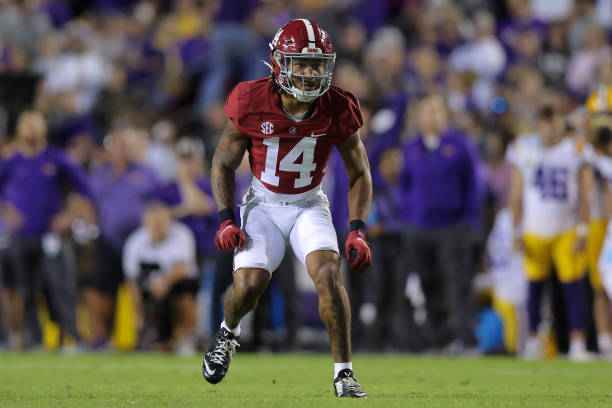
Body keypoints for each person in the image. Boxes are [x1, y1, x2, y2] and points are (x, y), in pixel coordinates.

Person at [202, 19, 372, 398]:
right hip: (263, 202)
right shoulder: (251, 100)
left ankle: (343, 373)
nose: (311, 73)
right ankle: (228, 332)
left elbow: (359, 171)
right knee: (248, 286)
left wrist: (358, 228)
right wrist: (226, 219)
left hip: (309, 203)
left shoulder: (338, 106)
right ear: (279, 63)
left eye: (317, 64)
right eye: (302, 63)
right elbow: (223, 163)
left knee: (328, 276)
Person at [0, 110, 94, 349]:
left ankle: (73, 338)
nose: (30, 129)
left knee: (60, 286)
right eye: (26, 124)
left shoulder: (56, 158)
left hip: (51, 236)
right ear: (19, 129)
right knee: (26, 291)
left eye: (34, 124)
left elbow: (86, 189)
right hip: (21, 237)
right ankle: (34, 340)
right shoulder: (12, 161)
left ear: (43, 128)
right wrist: (7, 211)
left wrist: (69, 216)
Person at [509, 106, 592, 361]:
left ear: (561, 123)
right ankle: (533, 340)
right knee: (534, 289)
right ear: (537, 124)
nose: (550, 127)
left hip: (566, 228)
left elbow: (585, 193)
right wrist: (515, 230)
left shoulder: (575, 149)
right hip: (535, 228)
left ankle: (578, 343)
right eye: (545, 122)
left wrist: (582, 229)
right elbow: (516, 193)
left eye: (554, 121)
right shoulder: (524, 149)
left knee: (573, 288)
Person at [400, 94, 479, 353]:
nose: (432, 116)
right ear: (419, 116)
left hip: (451, 226)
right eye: (427, 110)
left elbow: (473, 186)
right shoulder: (410, 148)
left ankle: (466, 339)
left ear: (446, 115)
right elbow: (404, 186)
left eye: (437, 110)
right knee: (428, 283)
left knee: (458, 285)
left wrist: (468, 220)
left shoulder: (460, 145)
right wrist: (410, 217)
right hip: (420, 228)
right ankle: (437, 338)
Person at [123, 202, 199, 355]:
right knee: (142, 298)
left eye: (161, 223)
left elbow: (182, 268)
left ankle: (184, 338)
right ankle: (149, 338)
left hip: (177, 284)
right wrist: (138, 310)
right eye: (153, 224)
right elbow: (131, 280)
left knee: (186, 294)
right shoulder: (135, 242)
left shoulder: (182, 234)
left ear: (169, 222)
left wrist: (164, 282)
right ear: (145, 223)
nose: (157, 228)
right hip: (149, 288)